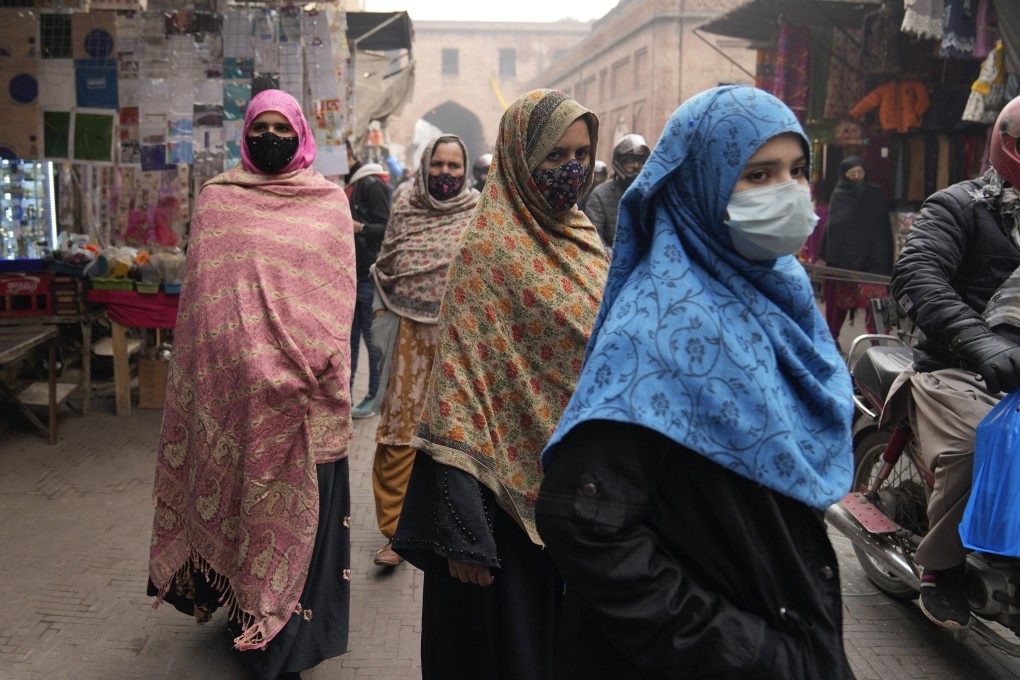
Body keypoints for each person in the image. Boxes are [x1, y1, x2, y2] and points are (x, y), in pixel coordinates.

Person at [535, 85, 856, 679]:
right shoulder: (658, 329)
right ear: (698, 185)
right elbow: (584, 524)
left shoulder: (780, 299)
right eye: (757, 175)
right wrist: (748, 653)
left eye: (797, 171)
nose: (787, 193)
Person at [391, 89, 610, 679]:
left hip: (574, 493)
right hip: (499, 510)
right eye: (553, 155)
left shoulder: (584, 235)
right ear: (517, 157)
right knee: (506, 653)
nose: (571, 170)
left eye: (581, 153)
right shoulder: (487, 250)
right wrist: (465, 532)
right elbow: (458, 389)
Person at [148, 89, 357, 680]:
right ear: (245, 133)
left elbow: (338, 299)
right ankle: (244, 612)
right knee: (242, 508)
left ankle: (290, 641)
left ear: (300, 135)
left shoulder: (327, 204)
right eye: (260, 127)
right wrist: (240, 366)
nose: (271, 137)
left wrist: (293, 366)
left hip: (303, 398)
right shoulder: (219, 201)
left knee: (300, 515)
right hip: (231, 397)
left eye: (281, 128)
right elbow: (202, 310)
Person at [886, 95, 1020, 630]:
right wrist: (980, 342)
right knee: (978, 447)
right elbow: (916, 275)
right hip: (955, 368)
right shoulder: (960, 205)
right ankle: (941, 567)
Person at [368, 134, 481, 567]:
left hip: (461, 337)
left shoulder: (478, 212)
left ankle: (456, 527)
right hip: (408, 335)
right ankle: (396, 535)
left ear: (465, 169)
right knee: (399, 429)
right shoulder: (405, 209)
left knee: (456, 431)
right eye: (438, 165)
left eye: (454, 166)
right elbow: (389, 263)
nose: (446, 174)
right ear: (424, 166)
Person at [818, 156, 895, 347]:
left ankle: (879, 345)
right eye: (853, 174)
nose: (858, 177)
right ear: (844, 176)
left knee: (877, 303)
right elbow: (833, 229)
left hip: (872, 260)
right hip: (843, 261)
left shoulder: (875, 194)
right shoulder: (839, 195)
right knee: (837, 305)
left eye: (861, 173)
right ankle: (832, 339)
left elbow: (883, 229)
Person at [345, 142, 391, 418]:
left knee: (372, 342)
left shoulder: (370, 183)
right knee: (347, 342)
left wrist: (359, 227)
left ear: (350, 154)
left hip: (366, 278)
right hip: (346, 277)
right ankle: (344, 397)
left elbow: (386, 227)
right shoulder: (344, 185)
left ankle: (374, 397)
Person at [583, 134, 650, 253]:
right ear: (619, 162)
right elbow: (594, 236)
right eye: (630, 161)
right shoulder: (600, 194)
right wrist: (614, 257)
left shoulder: (651, 193)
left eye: (641, 161)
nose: (636, 166)